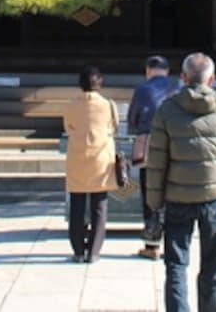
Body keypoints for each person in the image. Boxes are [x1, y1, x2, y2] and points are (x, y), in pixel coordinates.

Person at [147, 52, 216, 312]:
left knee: (176, 264)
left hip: (178, 196)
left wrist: (154, 201)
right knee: (212, 264)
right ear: (212, 79)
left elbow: (156, 160)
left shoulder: (167, 111)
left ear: (183, 78)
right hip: (214, 198)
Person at [63, 65, 118, 263]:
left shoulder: (71, 105)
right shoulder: (108, 105)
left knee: (76, 206)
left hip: (77, 158)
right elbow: (114, 126)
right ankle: (94, 250)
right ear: (100, 84)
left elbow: (68, 127)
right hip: (101, 159)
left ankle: (78, 250)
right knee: (99, 205)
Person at [127, 54, 180, 260]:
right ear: (167, 71)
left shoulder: (142, 90)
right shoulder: (178, 87)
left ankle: (151, 243)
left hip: (148, 143)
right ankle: (173, 243)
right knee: (173, 192)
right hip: (176, 143)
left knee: (150, 192)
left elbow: (133, 119)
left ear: (148, 71)